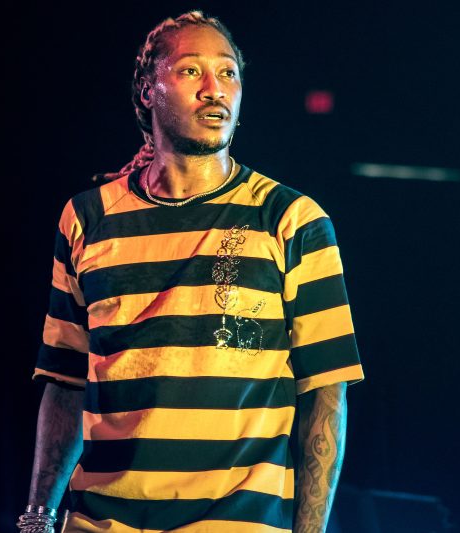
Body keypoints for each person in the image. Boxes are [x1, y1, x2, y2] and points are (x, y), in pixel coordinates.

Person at [19, 11, 364, 533]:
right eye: (190, 71)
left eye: (227, 73)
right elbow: (66, 381)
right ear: (147, 91)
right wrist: (38, 518)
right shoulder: (87, 218)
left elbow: (325, 391)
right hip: (100, 522)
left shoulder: (291, 220)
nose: (213, 89)